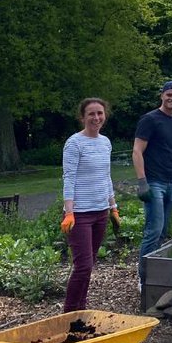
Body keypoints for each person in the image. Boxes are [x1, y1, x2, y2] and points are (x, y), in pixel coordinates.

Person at [133, 80, 172, 285]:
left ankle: (156, 271)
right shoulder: (150, 120)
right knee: (153, 229)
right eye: (169, 94)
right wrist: (142, 181)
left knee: (162, 231)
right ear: (162, 95)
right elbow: (137, 151)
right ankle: (144, 278)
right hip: (154, 183)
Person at [61, 97, 119, 313]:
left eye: (99, 113)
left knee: (90, 264)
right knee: (83, 266)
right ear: (82, 117)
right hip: (80, 214)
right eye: (91, 114)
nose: (96, 118)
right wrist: (69, 212)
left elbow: (106, 176)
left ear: (105, 115)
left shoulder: (105, 142)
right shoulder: (74, 143)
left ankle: (81, 308)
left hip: (100, 212)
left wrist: (113, 206)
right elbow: (69, 177)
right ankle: (69, 312)